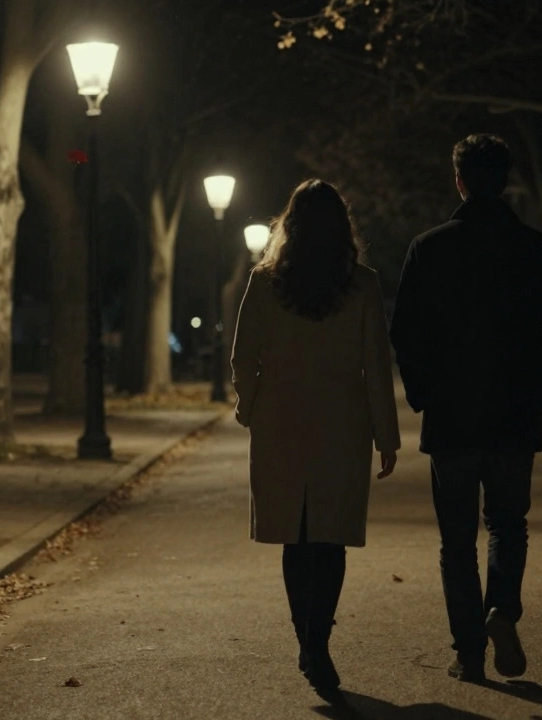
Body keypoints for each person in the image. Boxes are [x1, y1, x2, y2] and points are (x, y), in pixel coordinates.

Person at [389, 134, 542, 683]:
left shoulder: (429, 248)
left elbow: (405, 332)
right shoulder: (538, 250)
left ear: (459, 181)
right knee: (508, 523)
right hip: (514, 414)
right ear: (506, 182)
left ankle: (468, 651)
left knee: (456, 541)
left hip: (451, 415)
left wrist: (424, 392)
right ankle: (502, 609)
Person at [231, 179, 401, 694]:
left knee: (295, 536)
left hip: (280, 423)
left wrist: (250, 406)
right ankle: (317, 640)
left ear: (291, 226)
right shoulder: (362, 284)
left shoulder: (265, 282)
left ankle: (306, 639)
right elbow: (376, 362)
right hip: (341, 424)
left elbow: (244, 356)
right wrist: (385, 434)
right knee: (329, 538)